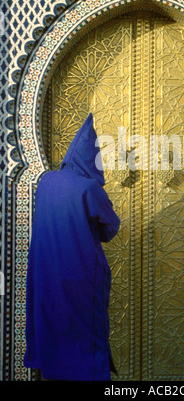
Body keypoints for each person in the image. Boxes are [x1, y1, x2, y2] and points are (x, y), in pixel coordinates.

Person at [23, 113, 120, 381]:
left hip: (44, 277)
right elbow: (111, 228)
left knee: (50, 329)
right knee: (85, 339)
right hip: (81, 279)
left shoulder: (45, 182)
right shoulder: (89, 188)